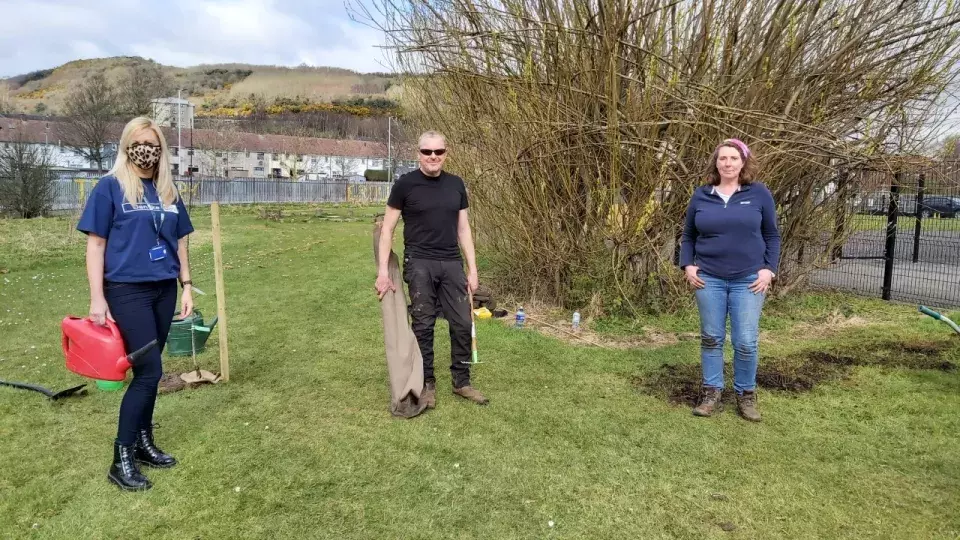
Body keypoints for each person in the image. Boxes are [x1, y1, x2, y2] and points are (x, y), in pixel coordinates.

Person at [77, 117, 195, 490]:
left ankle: (143, 443)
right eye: (140, 142)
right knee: (148, 373)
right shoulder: (109, 188)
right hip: (127, 290)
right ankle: (121, 457)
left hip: (164, 289)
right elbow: (95, 245)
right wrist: (98, 299)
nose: (147, 149)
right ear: (127, 145)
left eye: (154, 143)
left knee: (152, 371)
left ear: (161, 149)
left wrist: (187, 285)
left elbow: (181, 241)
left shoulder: (167, 190)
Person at [375, 130, 489, 407]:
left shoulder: (456, 185)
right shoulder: (405, 185)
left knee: (462, 323)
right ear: (419, 154)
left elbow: (464, 229)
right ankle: (426, 384)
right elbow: (388, 228)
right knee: (423, 324)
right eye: (427, 152)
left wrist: (472, 270)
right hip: (419, 262)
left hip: (451, 262)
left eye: (439, 151)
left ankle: (461, 382)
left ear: (446, 153)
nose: (433, 157)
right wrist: (382, 272)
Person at [679, 138, 781, 422]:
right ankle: (711, 391)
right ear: (716, 163)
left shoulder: (758, 194)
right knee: (711, 338)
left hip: (749, 279)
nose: (727, 163)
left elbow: (772, 235)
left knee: (745, 341)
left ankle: (746, 395)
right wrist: (688, 265)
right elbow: (688, 236)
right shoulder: (701, 195)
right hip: (708, 278)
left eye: (733, 158)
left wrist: (768, 269)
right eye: (722, 158)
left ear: (743, 162)